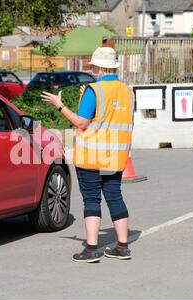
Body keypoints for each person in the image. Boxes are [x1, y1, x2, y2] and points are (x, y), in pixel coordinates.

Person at [41, 47, 134, 263]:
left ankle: (91, 249)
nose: (91, 69)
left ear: (100, 67)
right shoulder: (127, 91)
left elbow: (81, 122)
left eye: (93, 66)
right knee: (114, 196)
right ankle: (122, 246)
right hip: (115, 155)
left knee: (91, 199)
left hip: (92, 156)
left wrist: (59, 105)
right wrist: (87, 95)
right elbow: (110, 117)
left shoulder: (95, 90)